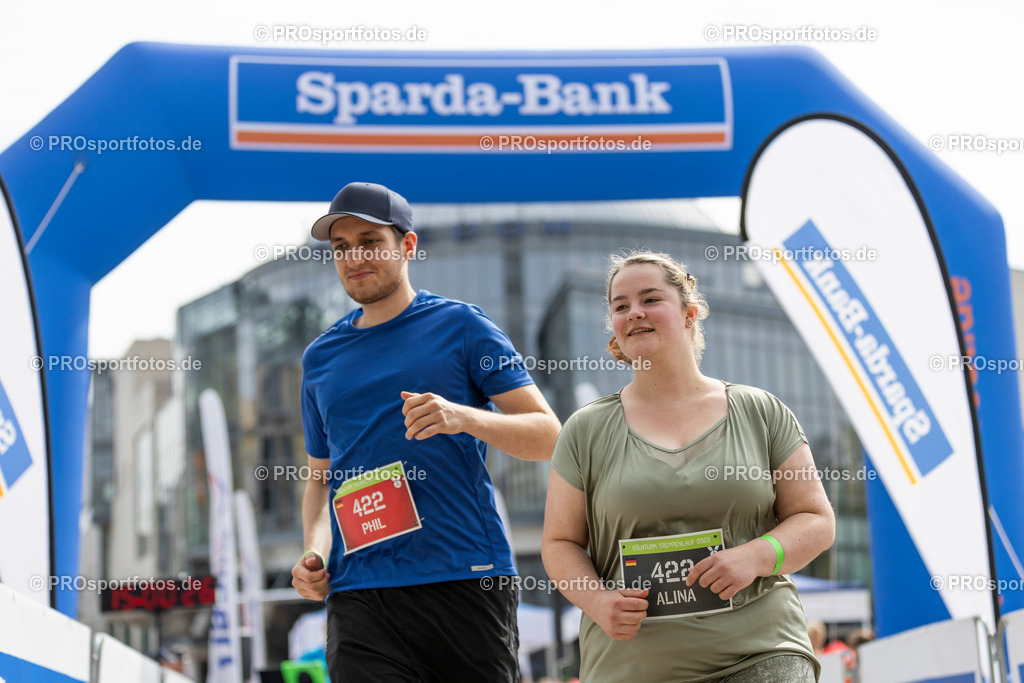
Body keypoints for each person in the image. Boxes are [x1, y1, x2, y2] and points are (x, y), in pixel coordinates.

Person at [291, 182, 561, 682]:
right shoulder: (319, 358)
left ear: (407, 246)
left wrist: (464, 417)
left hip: (463, 577)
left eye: (370, 241)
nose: (354, 257)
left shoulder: (461, 326)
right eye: (341, 247)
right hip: (359, 592)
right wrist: (313, 551)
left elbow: (549, 435)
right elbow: (319, 479)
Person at [542, 250, 835, 682]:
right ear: (615, 331)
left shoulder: (761, 411)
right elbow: (559, 544)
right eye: (620, 306)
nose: (634, 312)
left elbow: (817, 521)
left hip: (760, 650)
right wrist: (599, 601)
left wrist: (755, 556)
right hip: (633, 665)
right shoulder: (585, 430)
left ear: (689, 313)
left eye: (650, 299)